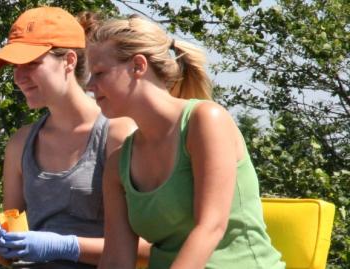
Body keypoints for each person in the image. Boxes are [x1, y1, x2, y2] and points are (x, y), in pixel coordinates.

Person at [87, 15, 285, 268]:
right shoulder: (117, 164)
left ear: (138, 66)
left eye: (99, 73)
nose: (90, 85)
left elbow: (211, 227)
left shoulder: (206, 120)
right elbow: (116, 259)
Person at [0, 7, 148, 268]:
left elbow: (149, 248)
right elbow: (7, 256)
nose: (19, 77)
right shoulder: (20, 143)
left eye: (32, 64)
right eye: (15, 67)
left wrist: (67, 246)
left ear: (69, 61)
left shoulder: (118, 134)